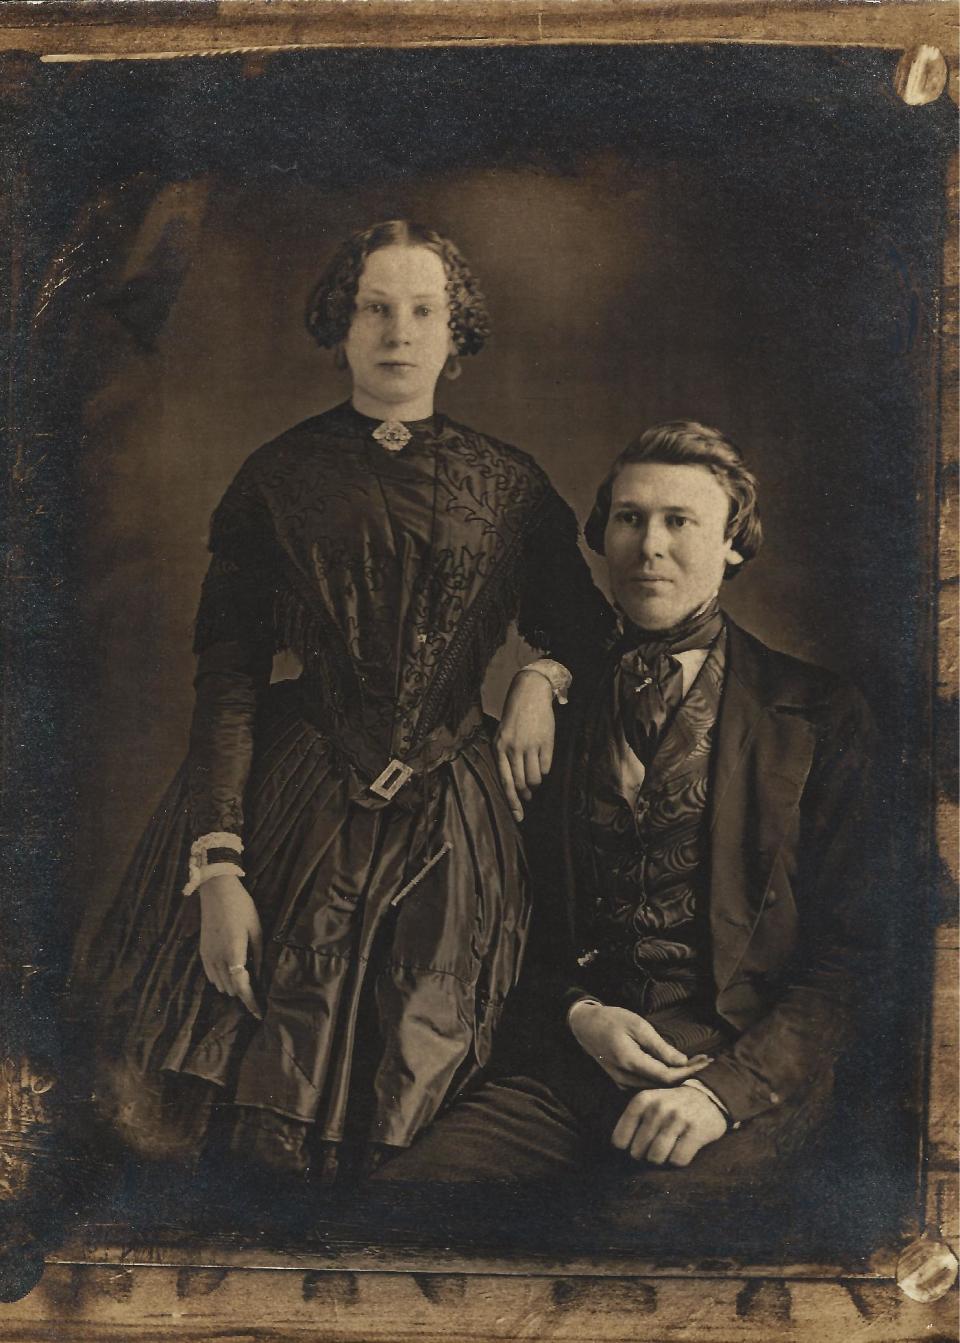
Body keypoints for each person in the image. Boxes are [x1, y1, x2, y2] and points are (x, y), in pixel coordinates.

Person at [89, 220, 614, 1180]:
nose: (398, 333)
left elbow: (586, 632)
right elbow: (230, 680)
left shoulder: (511, 487)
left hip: (456, 814)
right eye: (375, 308)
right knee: (244, 1104)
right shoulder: (276, 480)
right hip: (299, 805)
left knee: (425, 1102)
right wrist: (218, 868)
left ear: (457, 336)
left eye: (424, 311)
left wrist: (540, 677)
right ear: (341, 325)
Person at [375, 420, 879, 1204]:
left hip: (744, 1082)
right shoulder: (553, 716)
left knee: (637, 1248)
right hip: (572, 1072)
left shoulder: (819, 712)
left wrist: (724, 1093)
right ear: (603, 536)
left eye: (681, 522)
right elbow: (513, 930)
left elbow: (858, 954)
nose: (650, 546)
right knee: (400, 1207)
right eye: (630, 518)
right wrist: (578, 1015)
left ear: (733, 545)